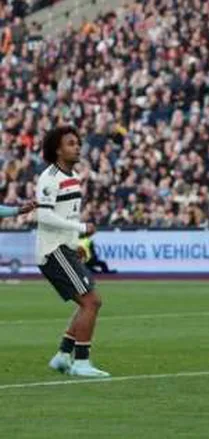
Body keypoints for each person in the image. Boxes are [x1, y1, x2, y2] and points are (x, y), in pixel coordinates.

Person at [37, 126, 105, 377]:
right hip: (52, 250)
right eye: (70, 143)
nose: (77, 147)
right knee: (91, 301)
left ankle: (63, 355)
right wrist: (79, 228)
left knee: (87, 301)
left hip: (65, 248)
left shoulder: (73, 177)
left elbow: (69, 213)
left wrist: (76, 241)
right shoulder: (49, 178)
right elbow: (44, 216)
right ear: (57, 149)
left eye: (77, 142)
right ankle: (81, 362)